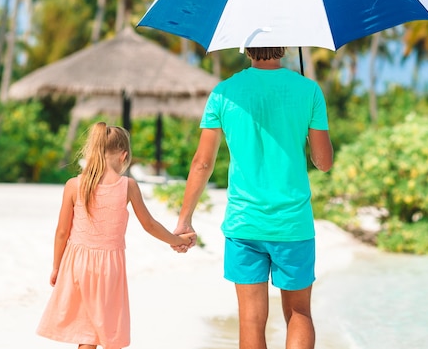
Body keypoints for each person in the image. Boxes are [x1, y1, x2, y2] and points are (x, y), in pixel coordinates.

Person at [173, 47, 333, 349]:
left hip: (244, 224)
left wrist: (184, 220)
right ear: (285, 46)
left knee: (250, 320)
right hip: (293, 224)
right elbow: (323, 163)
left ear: (245, 48)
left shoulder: (224, 93)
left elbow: (202, 164)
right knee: (299, 313)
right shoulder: (309, 90)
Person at [37, 122, 194, 349]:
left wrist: (56, 266)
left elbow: (62, 231)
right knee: (109, 331)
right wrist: (177, 240)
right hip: (108, 268)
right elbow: (149, 225)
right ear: (124, 155)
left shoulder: (74, 185)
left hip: (75, 264)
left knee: (86, 333)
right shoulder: (127, 186)